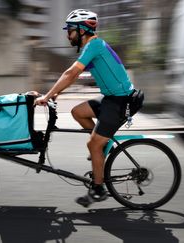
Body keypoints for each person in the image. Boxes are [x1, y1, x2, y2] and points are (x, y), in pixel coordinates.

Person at [35, 9, 138, 207]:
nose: (68, 35)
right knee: (78, 112)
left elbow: (71, 73)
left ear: (82, 30)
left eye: (71, 30)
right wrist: (56, 94)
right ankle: (103, 145)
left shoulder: (95, 45)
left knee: (93, 145)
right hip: (111, 97)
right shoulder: (90, 47)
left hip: (121, 101)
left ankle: (99, 189)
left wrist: (48, 95)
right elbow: (72, 77)